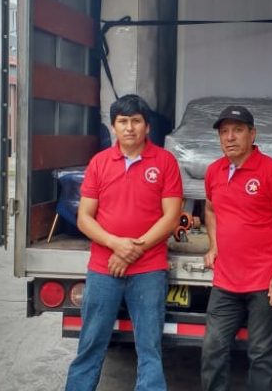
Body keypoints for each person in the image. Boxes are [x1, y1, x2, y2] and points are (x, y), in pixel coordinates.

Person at [65, 94, 183, 391]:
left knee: (149, 348)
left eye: (135, 121)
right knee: (91, 343)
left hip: (149, 270)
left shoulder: (166, 162)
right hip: (104, 269)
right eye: (122, 122)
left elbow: (171, 219)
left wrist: (132, 250)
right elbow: (84, 218)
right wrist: (117, 245)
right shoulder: (99, 163)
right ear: (114, 128)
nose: (129, 128)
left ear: (147, 127)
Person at [201, 105, 272, 391]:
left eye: (238, 130)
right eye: (224, 132)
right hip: (225, 283)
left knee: (261, 356)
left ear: (252, 134)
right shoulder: (213, 171)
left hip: (264, 283)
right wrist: (214, 245)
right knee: (212, 351)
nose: (230, 137)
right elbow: (210, 209)